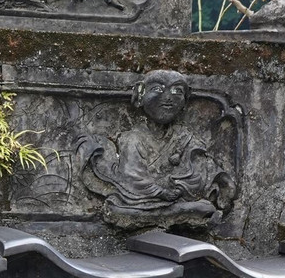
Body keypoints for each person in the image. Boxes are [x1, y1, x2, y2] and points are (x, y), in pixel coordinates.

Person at [81, 69, 233, 220]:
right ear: (140, 95)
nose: (168, 97)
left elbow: (202, 169)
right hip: (141, 201)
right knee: (122, 210)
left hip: (176, 200)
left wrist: (186, 187)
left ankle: (173, 212)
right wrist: (161, 193)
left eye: (177, 91)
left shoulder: (185, 137)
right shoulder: (133, 138)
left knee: (203, 207)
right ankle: (171, 213)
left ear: (186, 100)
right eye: (157, 89)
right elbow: (132, 175)